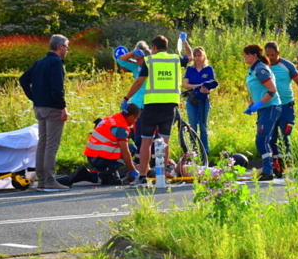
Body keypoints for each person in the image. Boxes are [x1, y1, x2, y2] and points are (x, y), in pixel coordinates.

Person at [122, 34, 191, 183]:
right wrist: (185, 42)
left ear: (153, 47)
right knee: (165, 140)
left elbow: (139, 82)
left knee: (146, 140)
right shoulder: (175, 59)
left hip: (151, 105)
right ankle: (162, 174)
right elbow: (190, 57)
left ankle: (143, 175)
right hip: (170, 105)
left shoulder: (149, 61)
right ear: (166, 47)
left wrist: (126, 98)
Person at [20, 35, 71, 191]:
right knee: (51, 144)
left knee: (43, 143)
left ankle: (42, 179)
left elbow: (23, 79)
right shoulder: (56, 63)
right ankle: (49, 180)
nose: (67, 50)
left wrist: (34, 97)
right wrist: (62, 107)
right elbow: (57, 88)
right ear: (60, 47)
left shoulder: (40, 62)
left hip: (39, 107)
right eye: (67, 47)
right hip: (52, 108)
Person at [59, 104, 141, 186]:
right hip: (99, 158)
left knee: (112, 181)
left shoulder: (114, 118)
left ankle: (87, 175)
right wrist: (132, 170)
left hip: (92, 155)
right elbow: (125, 152)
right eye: (136, 118)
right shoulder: (121, 128)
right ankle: (104, 172)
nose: (135, 121)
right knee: (131, 148)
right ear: (131, 117)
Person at [264, 41, 298, 166]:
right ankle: (275, 163)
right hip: (270, 106)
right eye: (267, 55)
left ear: (278, 53)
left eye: (272, 55)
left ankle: (287, 162)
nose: (270, 58)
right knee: (271, 136)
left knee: (285, 134)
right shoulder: (263, 66)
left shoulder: (287, 66)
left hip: (286, 105)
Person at [242, 44, 282, 181]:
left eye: (247, 54)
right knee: (265, 139)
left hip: (270, 107)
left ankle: (268, 170)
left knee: (262, 140)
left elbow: (272, 90)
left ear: (254, 55)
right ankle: (271, 168)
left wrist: (259, 104)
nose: (244, 57)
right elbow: (258, 89)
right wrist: (252, 104)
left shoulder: (260, 69)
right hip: (264, 108)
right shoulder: (253, 69)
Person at [183, 46, 217, 156]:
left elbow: (212, 85)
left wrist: (207, 90)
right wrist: (198, 85)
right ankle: (194, 152)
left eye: (199, 55)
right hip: (192, 100)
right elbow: (186, 85)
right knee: (192, 127)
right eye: (195, 56)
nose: (197, 58)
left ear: (203, 56)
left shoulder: (208, 69)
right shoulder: (190, 69)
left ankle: (205, 151)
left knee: (203, 127)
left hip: (203, 101)